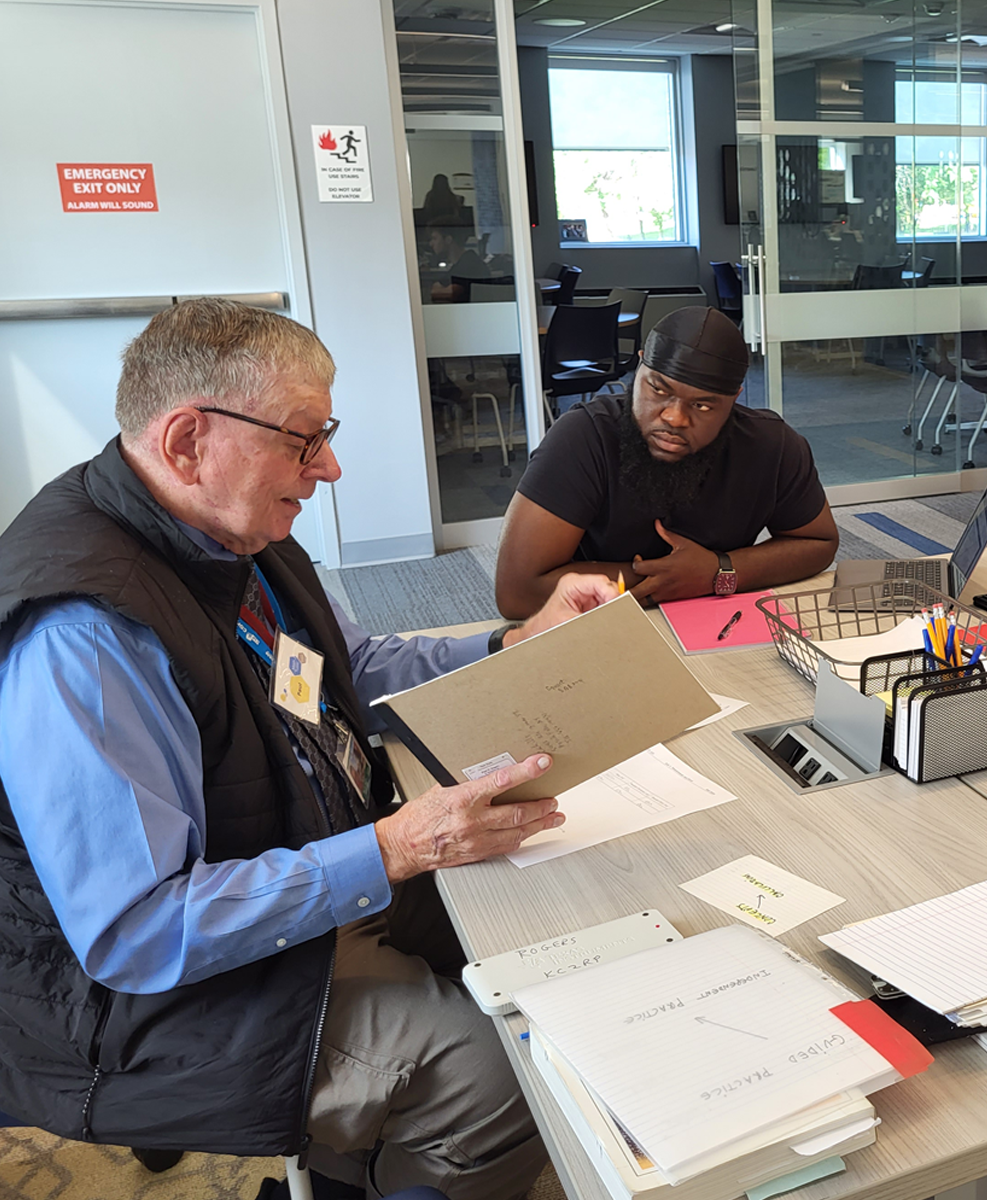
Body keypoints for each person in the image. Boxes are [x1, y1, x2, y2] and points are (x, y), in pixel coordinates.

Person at [0, 298, 617, 1200]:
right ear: (185, 443)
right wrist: (397, 848)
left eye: (324, 434)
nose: (328, 467)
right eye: (301, 440)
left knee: (542, 927)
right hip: (135, 997)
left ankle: (345, 1172)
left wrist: (507, 643)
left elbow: (349, 665)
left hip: (282, 865)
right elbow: (137, 931)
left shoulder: (229, 531)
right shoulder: (88, 636)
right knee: (501, 1070)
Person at [495, 306, 840, 616]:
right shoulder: (583, 437)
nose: (674, 418)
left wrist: (720, 571)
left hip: (718, 620)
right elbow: (517, 591)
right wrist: (674, 578)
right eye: (658, 389)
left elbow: (819, 543)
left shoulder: (771, 445)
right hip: (595, 620)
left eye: (703, 405)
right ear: (640, 365)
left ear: (734, 398)